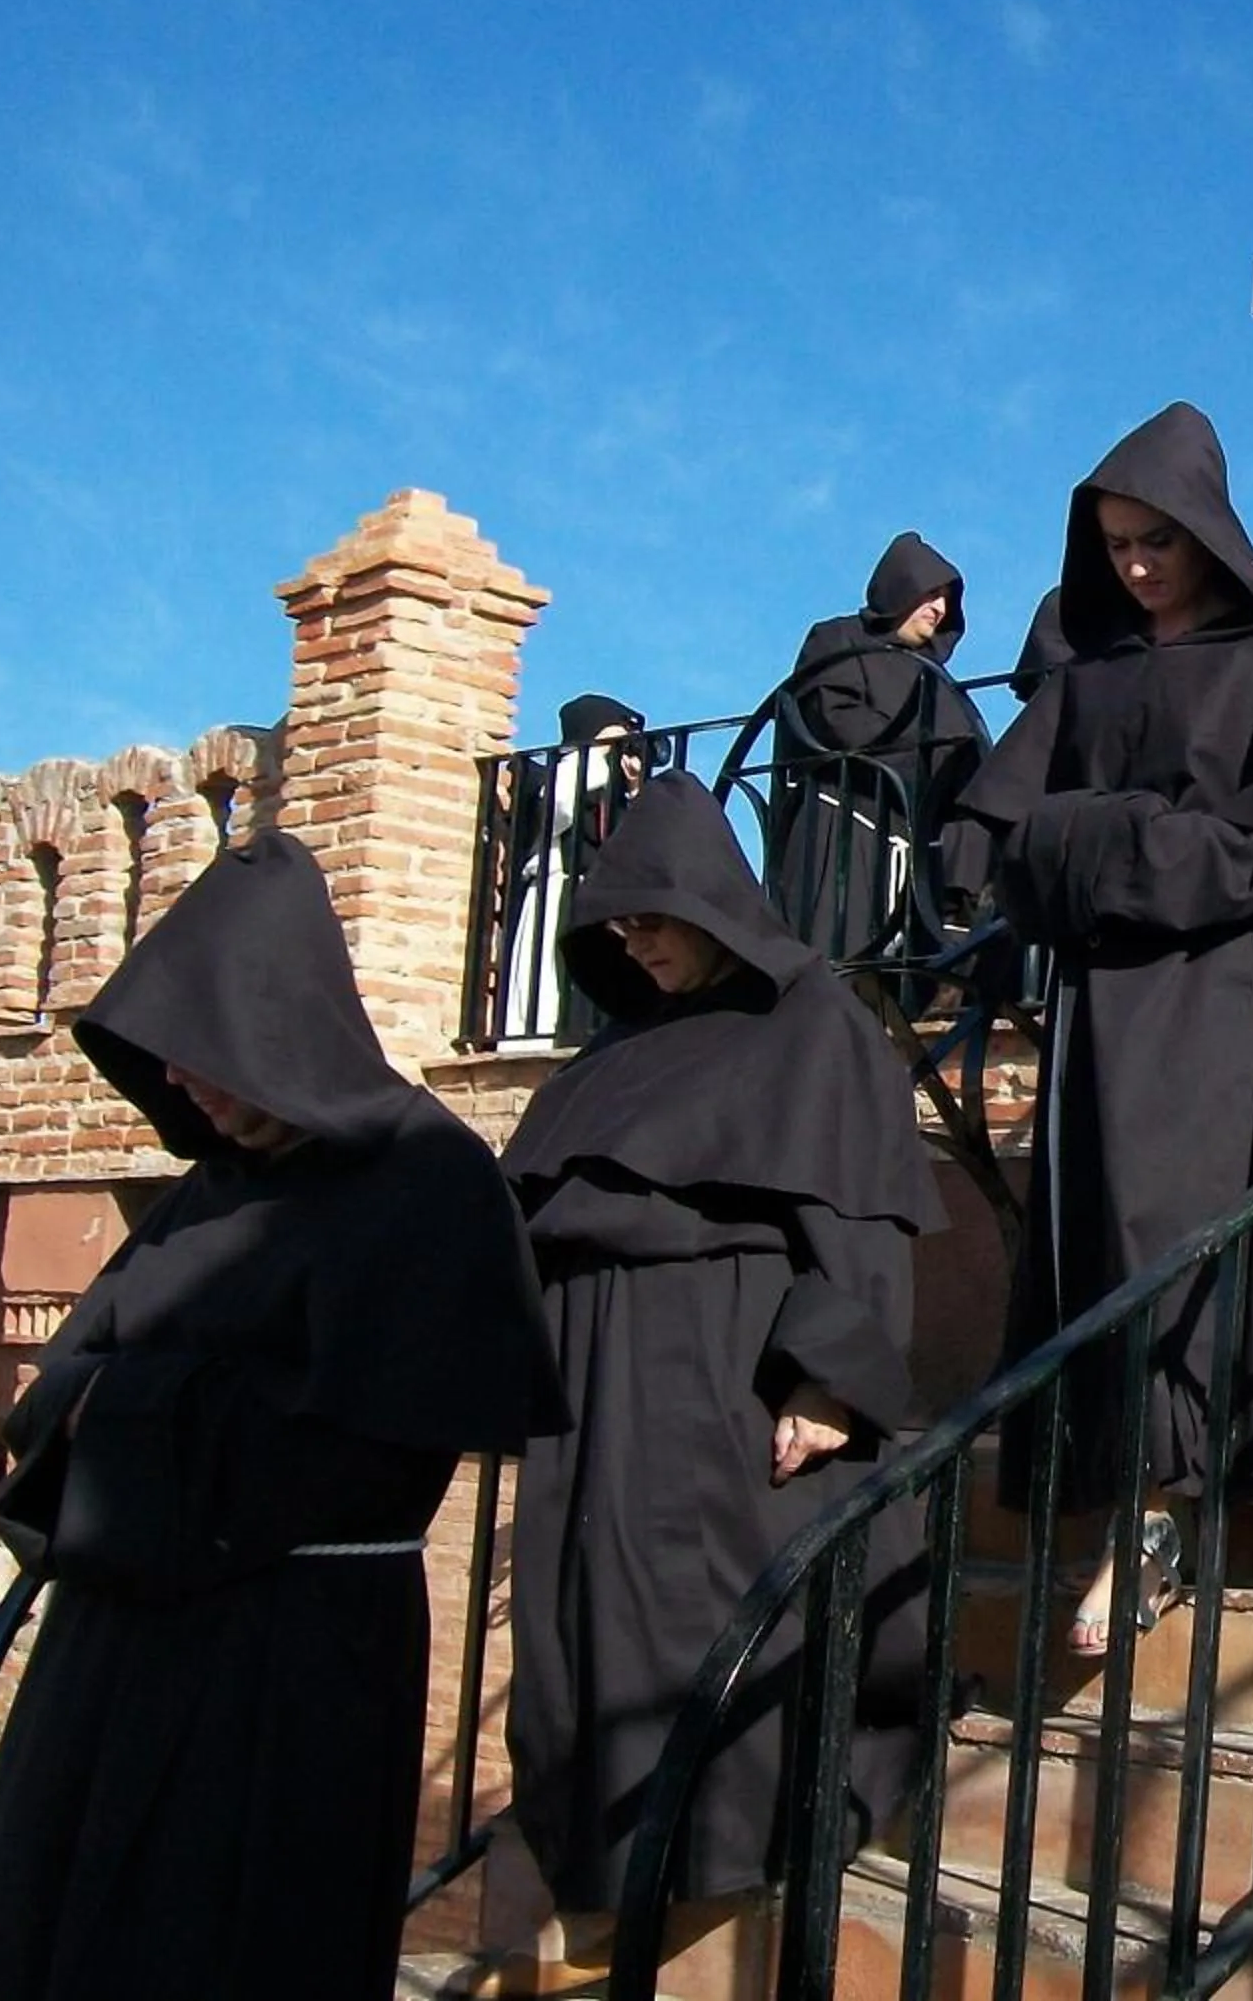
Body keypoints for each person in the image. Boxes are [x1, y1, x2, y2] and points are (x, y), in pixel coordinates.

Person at [0, 833, 564, 2001]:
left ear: (271, 1031)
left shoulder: (428, 1180)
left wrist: (119, 1419)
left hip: (292, 1652)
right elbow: (59, 1393)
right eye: (168, 1063)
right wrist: (111, 1418)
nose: (184, 1086)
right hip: (117, 1640)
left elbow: (359, 1449)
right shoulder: (208, 1191)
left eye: (204, 1058)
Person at [498, 772, 942, 1991]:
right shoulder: (608, 1060)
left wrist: (829, 1382)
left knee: (711, 1614)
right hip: (597, 1380)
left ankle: (719, 1857)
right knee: (590, 1625)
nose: (635, 946)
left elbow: (854, 1224)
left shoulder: (813, 1023)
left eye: (654, 920)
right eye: (617, 929)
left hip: (726, 1361)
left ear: (713, 903)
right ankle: (614, 1861)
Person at [957, 401, 1253, 1655]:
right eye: (1119, 544)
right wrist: (1110, 841)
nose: (1136, 566)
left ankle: (1176, 1513)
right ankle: (1133, 1502)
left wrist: (1104, 838)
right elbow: (1000, 836)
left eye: (1158, 543)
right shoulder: (1090, 674)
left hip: (1220, 997)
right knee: (1109, 1245)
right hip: (1101, 1005)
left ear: (1206, 536)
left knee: (1188, 1231)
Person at [753, 532, 991, 962]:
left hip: (914, 849)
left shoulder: (941, 685)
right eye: (931, 594)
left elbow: (968, 764)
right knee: (830, 971)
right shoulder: (837, 640)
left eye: (947, 601)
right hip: (841, 827)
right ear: (902, 587)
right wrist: (925, 760)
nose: (939, 609)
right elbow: (832, 722)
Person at [498, 692, 648, 1048]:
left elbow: (639, 840)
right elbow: (557, 809)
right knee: (545, 980)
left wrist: (635, 790)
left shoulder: (614, 788)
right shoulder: (569, 771)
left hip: (600, 898)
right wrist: (596, 756)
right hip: (558, 887)